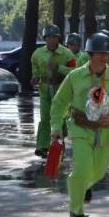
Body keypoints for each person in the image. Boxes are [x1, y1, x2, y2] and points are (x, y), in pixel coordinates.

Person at [50, 33, 109, 217]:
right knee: (82, 168)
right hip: (80, 128)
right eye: (100, 53)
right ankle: (76, 209)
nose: (104, 57)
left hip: (105, 132)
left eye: (107, 53)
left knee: (99, 172)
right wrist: (56, 127)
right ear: (90, 54)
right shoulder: (75, 76)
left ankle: (81, 185)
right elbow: (59, 103)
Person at [31, 25, 76, 157]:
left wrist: (59, 68)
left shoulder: (67, 54)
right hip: (45, 91)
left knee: (60, 119)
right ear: (45, 38)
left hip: (61, 91)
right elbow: (35, 71)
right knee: (45, 119)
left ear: (58, 38)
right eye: (48, 37)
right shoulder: (37, 54)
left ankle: (60, 144)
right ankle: (42, 146)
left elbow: (74, 72)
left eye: (54, 37)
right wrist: (35, 78)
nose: (51, 40)